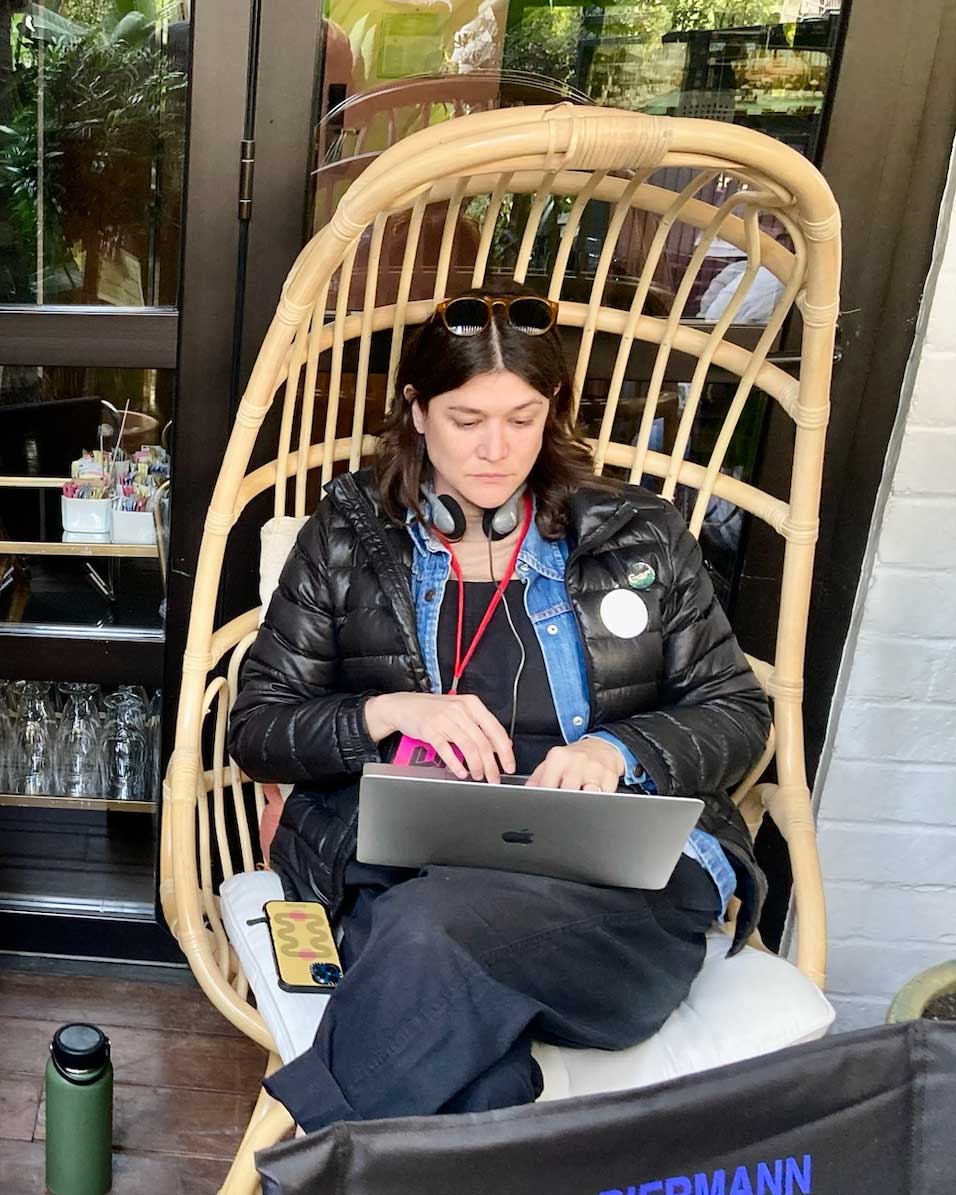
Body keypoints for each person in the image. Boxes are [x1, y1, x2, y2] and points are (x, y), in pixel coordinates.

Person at [228, 284, 771, 1133]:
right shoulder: (348, 533)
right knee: (471, 1072)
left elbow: (736, 712)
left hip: (612, 900)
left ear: (553, 409)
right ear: (415, 409)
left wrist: (618, 752)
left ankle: (304, 1162)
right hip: (408, 866)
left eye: (522, 419)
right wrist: (391, 710)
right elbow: (257, 723)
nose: (495, 450)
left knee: (426, 934)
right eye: (465, 418)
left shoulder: (641, 534)